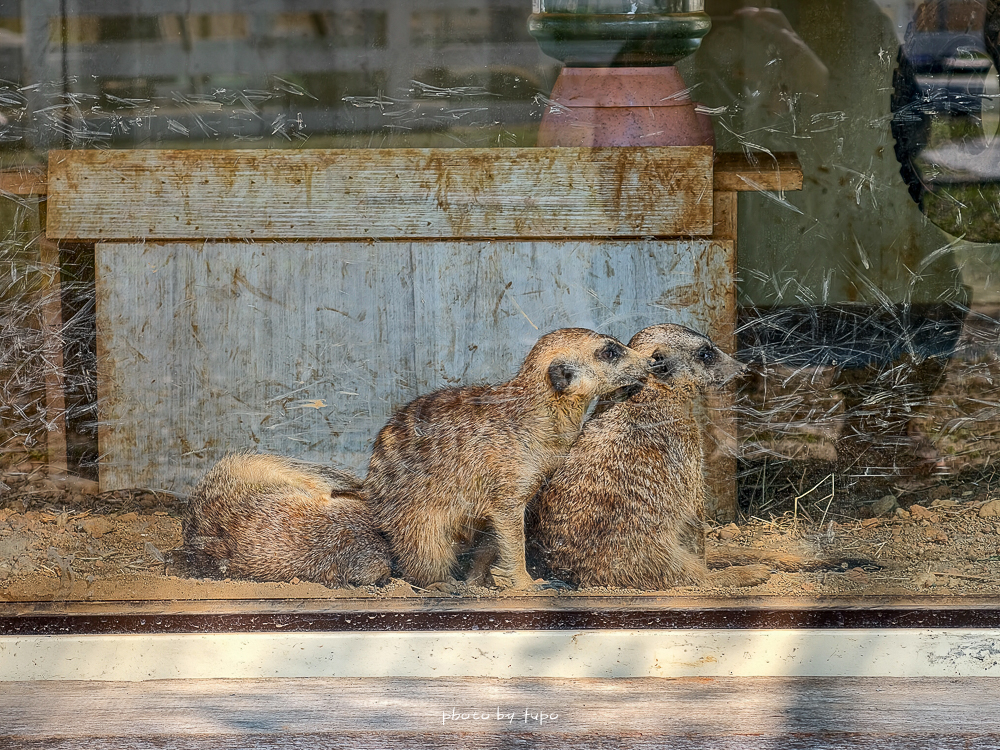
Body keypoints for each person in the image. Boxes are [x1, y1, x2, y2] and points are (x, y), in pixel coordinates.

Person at [681, 0, 973, 482]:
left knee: (937, 290)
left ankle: (878, 425)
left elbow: (895, 131)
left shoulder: (861, 26)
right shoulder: (693, 30)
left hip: (843, 209)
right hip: (745, 219)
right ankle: (702, 441)